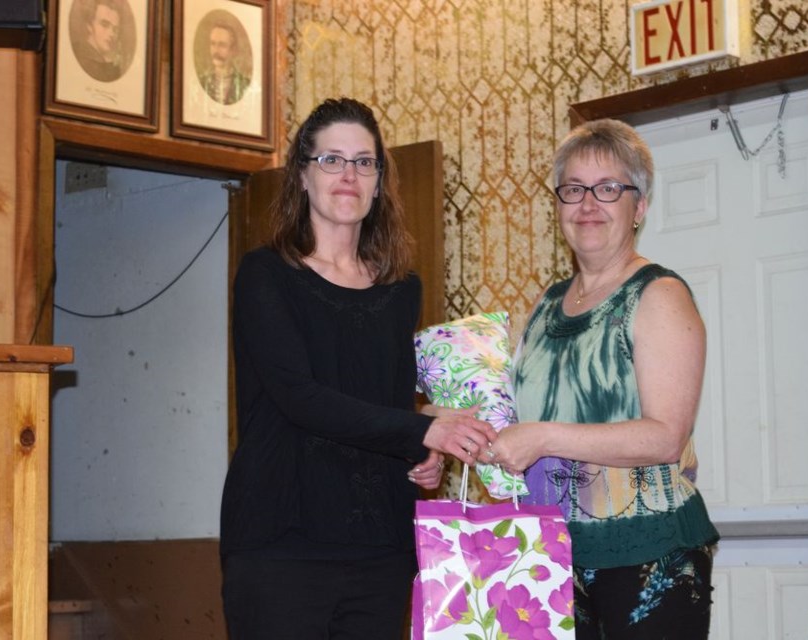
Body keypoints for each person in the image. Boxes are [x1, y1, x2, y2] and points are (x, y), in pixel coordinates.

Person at [219, 97, 497, 639]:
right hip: (281, 545)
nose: (348, 174)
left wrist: (422, 456)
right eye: (331, 160)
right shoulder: (265, 275)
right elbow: (300, 397)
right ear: (302, 175)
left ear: (378, 182)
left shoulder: (400, 290)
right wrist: (423, 429)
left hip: (380, 550)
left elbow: (387, 406)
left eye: (364, 162)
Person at [478, 119, 720, 639]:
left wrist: (542, 437)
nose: (588, 204)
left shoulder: (658, 295)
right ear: (559, 205)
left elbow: (664, 436)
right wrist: (446, 425)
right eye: (574, 189)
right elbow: (512, 415)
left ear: (641, 206)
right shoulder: (546, 305)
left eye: (608, 188)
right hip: (550, 556)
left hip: (649, 551)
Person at [198, 20, 250, 105]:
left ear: (233, 50)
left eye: (222, 45)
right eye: (213, 44)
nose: (216, 50)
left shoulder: (245, 85)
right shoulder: (202, 82)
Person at [72, 0, 123, 82]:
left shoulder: (108, 64)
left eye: (115, 29)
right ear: (89, 25)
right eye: (105, 25)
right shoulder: (81, 57)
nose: (112, 34)